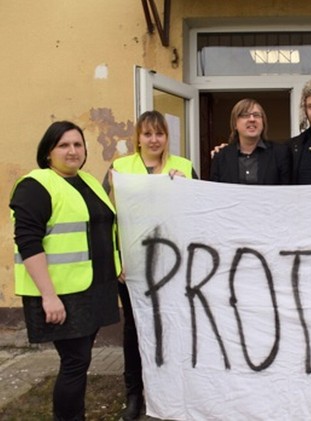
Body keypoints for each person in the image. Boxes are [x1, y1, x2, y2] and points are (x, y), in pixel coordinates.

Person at [10, 121, 121, 421]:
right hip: (61, 293)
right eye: (63, 145)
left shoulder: (88, 182)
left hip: (94, 288)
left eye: (77, 144)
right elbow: (27, 242)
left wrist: (118, 268)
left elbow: (103, 231)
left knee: (79, 361)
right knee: (75, 361)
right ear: (48, 152)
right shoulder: (35, 185)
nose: (72, 151)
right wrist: (49, 295)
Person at [105, 110, 197, 421]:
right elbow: (110, 220)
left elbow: (198, 214)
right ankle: (135, 393)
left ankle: (173, 388)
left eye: (160, 134)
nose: (154, 140)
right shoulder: (120, 168)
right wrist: (117, 261)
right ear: (138, 138)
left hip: (173, 265)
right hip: (132, 266)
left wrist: (186, 188)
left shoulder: (183, 166)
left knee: (173, 326)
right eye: (148, 134)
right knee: (134, 330)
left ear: (167, 137)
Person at [209, 98, 289, 184]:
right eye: (245, 115)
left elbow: (287, 192)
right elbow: (215, 193)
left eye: (256, 115)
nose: (252, 119)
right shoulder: (221, 157)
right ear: (235, 124)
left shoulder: (280, 153)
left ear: (263, 123)